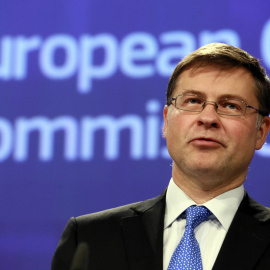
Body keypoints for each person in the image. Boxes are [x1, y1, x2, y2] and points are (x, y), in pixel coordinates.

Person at [51, 43, 270, 270]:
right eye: (193, 101)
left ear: (261, 131)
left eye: (231, 106)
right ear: (166, 121)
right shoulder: (89, 239)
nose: (207, 118)